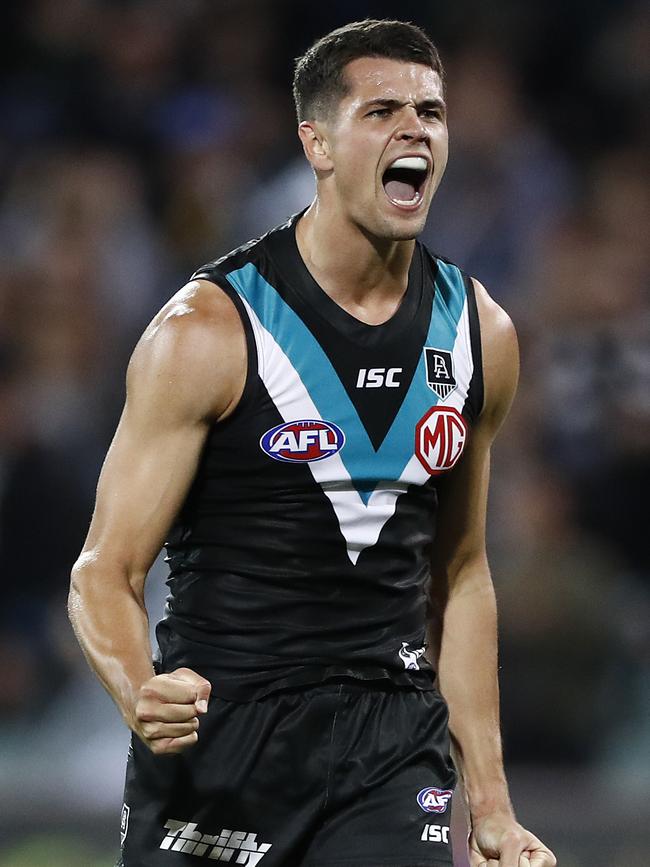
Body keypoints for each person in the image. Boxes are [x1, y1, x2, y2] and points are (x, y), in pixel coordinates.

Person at [69, 19, 556, 867]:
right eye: (382, 112)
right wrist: (139, 688)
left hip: (393, 747)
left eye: (431, 112)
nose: (414, 130)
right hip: (224, 742)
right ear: (317, 143)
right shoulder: (209, 330)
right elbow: (104, 572)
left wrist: (491, 806)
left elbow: (461, 572)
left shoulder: (481, 333)